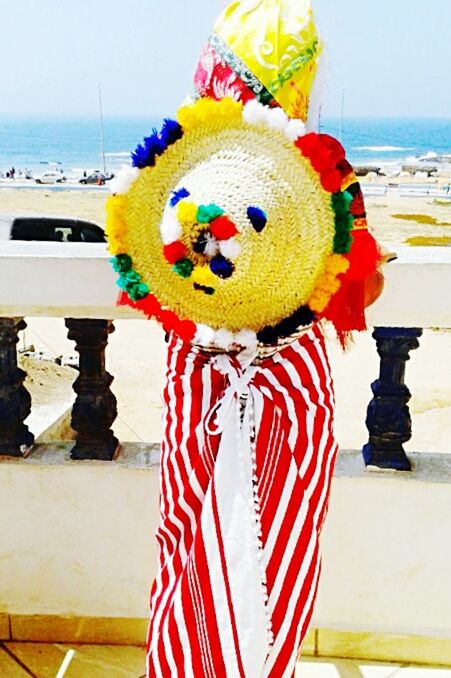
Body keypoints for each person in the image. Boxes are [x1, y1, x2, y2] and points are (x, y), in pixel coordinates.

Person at [105, 2, 388, 675]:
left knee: (188, 541)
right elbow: (358, 287)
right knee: (276, 553)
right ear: (299, 77)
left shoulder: (178, 161)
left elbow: (150, 270)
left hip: (199, 383)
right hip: (288, 396)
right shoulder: (318, 167)